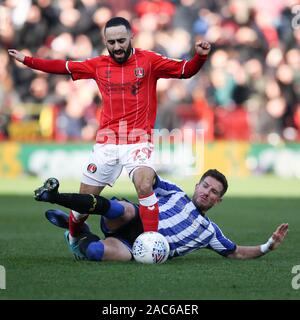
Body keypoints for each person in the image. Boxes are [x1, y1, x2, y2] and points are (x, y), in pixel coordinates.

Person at [8, 17, 211, 255]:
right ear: (105, 41)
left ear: (131, 38)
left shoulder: (149, 61)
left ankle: (151, 244)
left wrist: (200, 57)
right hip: (107, 143)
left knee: (145, 184)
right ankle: (73, 236)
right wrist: (28, 60)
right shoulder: (98, 65)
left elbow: (185, 71)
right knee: (83, 204)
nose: (116, 47)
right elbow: (63, 67)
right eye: (111, 42)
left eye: (121, 41)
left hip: (137, 139)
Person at [34, 169, 289, 261]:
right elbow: (151, 178)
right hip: (132, 220)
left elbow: (236, 252)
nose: (207, 193)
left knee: (95, 253)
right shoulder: (175, 193)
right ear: (197, 185)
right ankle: (55, 195)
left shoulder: (209, 232)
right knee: (122, 208)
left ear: (218, 201)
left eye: (214, 192)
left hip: (135, 248)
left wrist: (268, 246)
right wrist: (145, 170)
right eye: (205, 186)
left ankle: (78, 234)